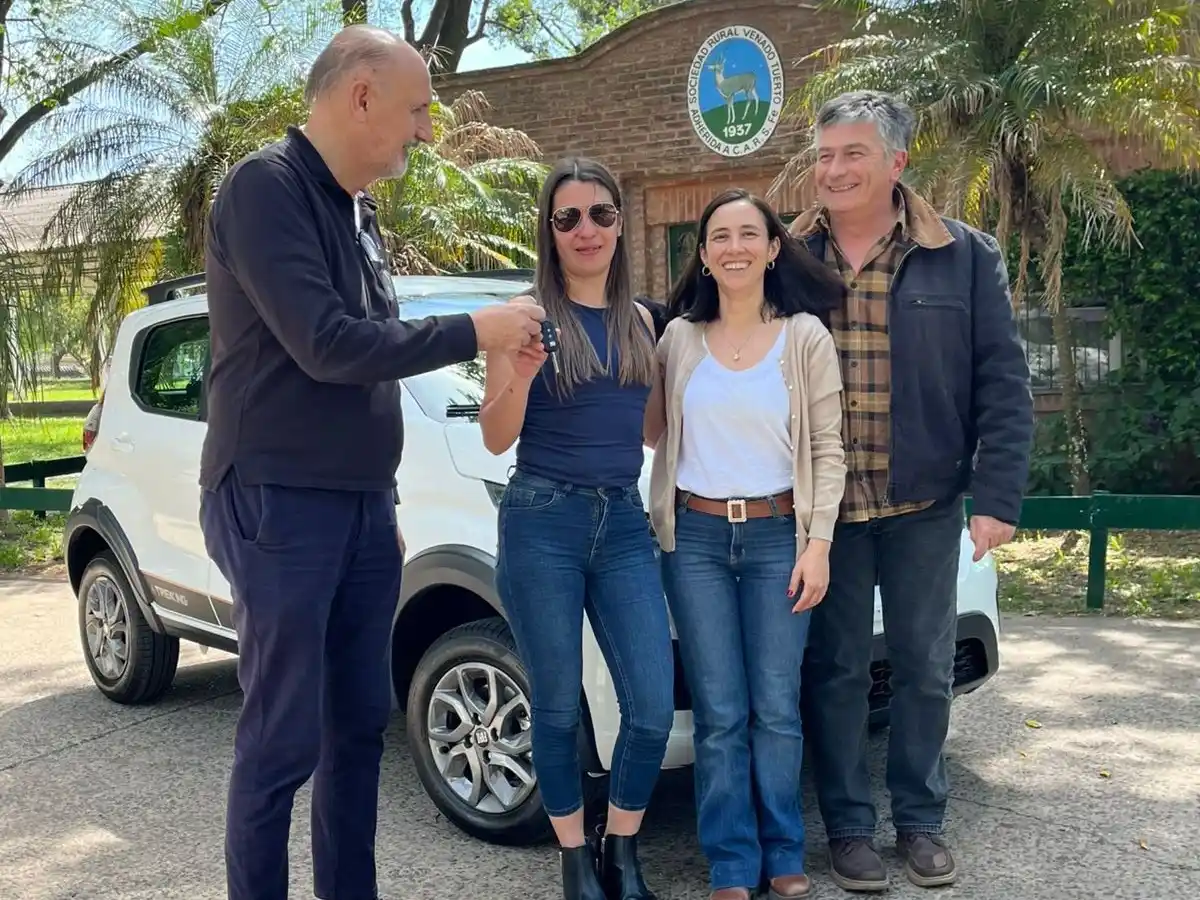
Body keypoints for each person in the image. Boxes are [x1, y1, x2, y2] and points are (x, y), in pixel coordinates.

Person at [199, 26, 548, 900]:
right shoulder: (264, 190)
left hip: (356, 507)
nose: (428, 130)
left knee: (357, 726)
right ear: (361, 97)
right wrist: (478, 331)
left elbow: (373, 353)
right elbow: (328, 345)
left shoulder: (359, 209)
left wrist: (376, 496)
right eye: (419, 109)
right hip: (278, 502)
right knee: (284, 740)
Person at [787, 90, 1034, 891]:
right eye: (824, 155)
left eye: (852, 153)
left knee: (926, 667)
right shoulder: (787, 257)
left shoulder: (964, 255)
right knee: (836, 672)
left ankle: (921, 822)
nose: (834, 169)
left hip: (924, 502)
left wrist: (996, 496)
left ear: (896, 161)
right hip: (825, 514)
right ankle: (850, 830)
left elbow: (1002, 381)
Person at [479, 156, 673, 900]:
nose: (585, 229)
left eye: (600, 214)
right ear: (549, 231)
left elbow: (652, 429)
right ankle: (573, 864)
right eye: (568, 217)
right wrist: (523, 375)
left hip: (621, 522)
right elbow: (497, 436)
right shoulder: (523, 317)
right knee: (557, 707)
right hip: (542, 522)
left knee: (651, 708)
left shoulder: (644, 323)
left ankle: (620, 849)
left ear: (621, 225)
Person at [644, 190, 847, 900]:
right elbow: (643, 433)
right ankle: (731, 862)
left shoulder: (804, 338)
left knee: (776, 707)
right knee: (720, 712)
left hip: (776, 538)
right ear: (702, 255)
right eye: (718, 236)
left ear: (770, 249)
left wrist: (817, 542)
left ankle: (783, 853)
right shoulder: (676, 341)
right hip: (694, 540)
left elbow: (828, 447)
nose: (733, 246)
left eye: (747, 234)